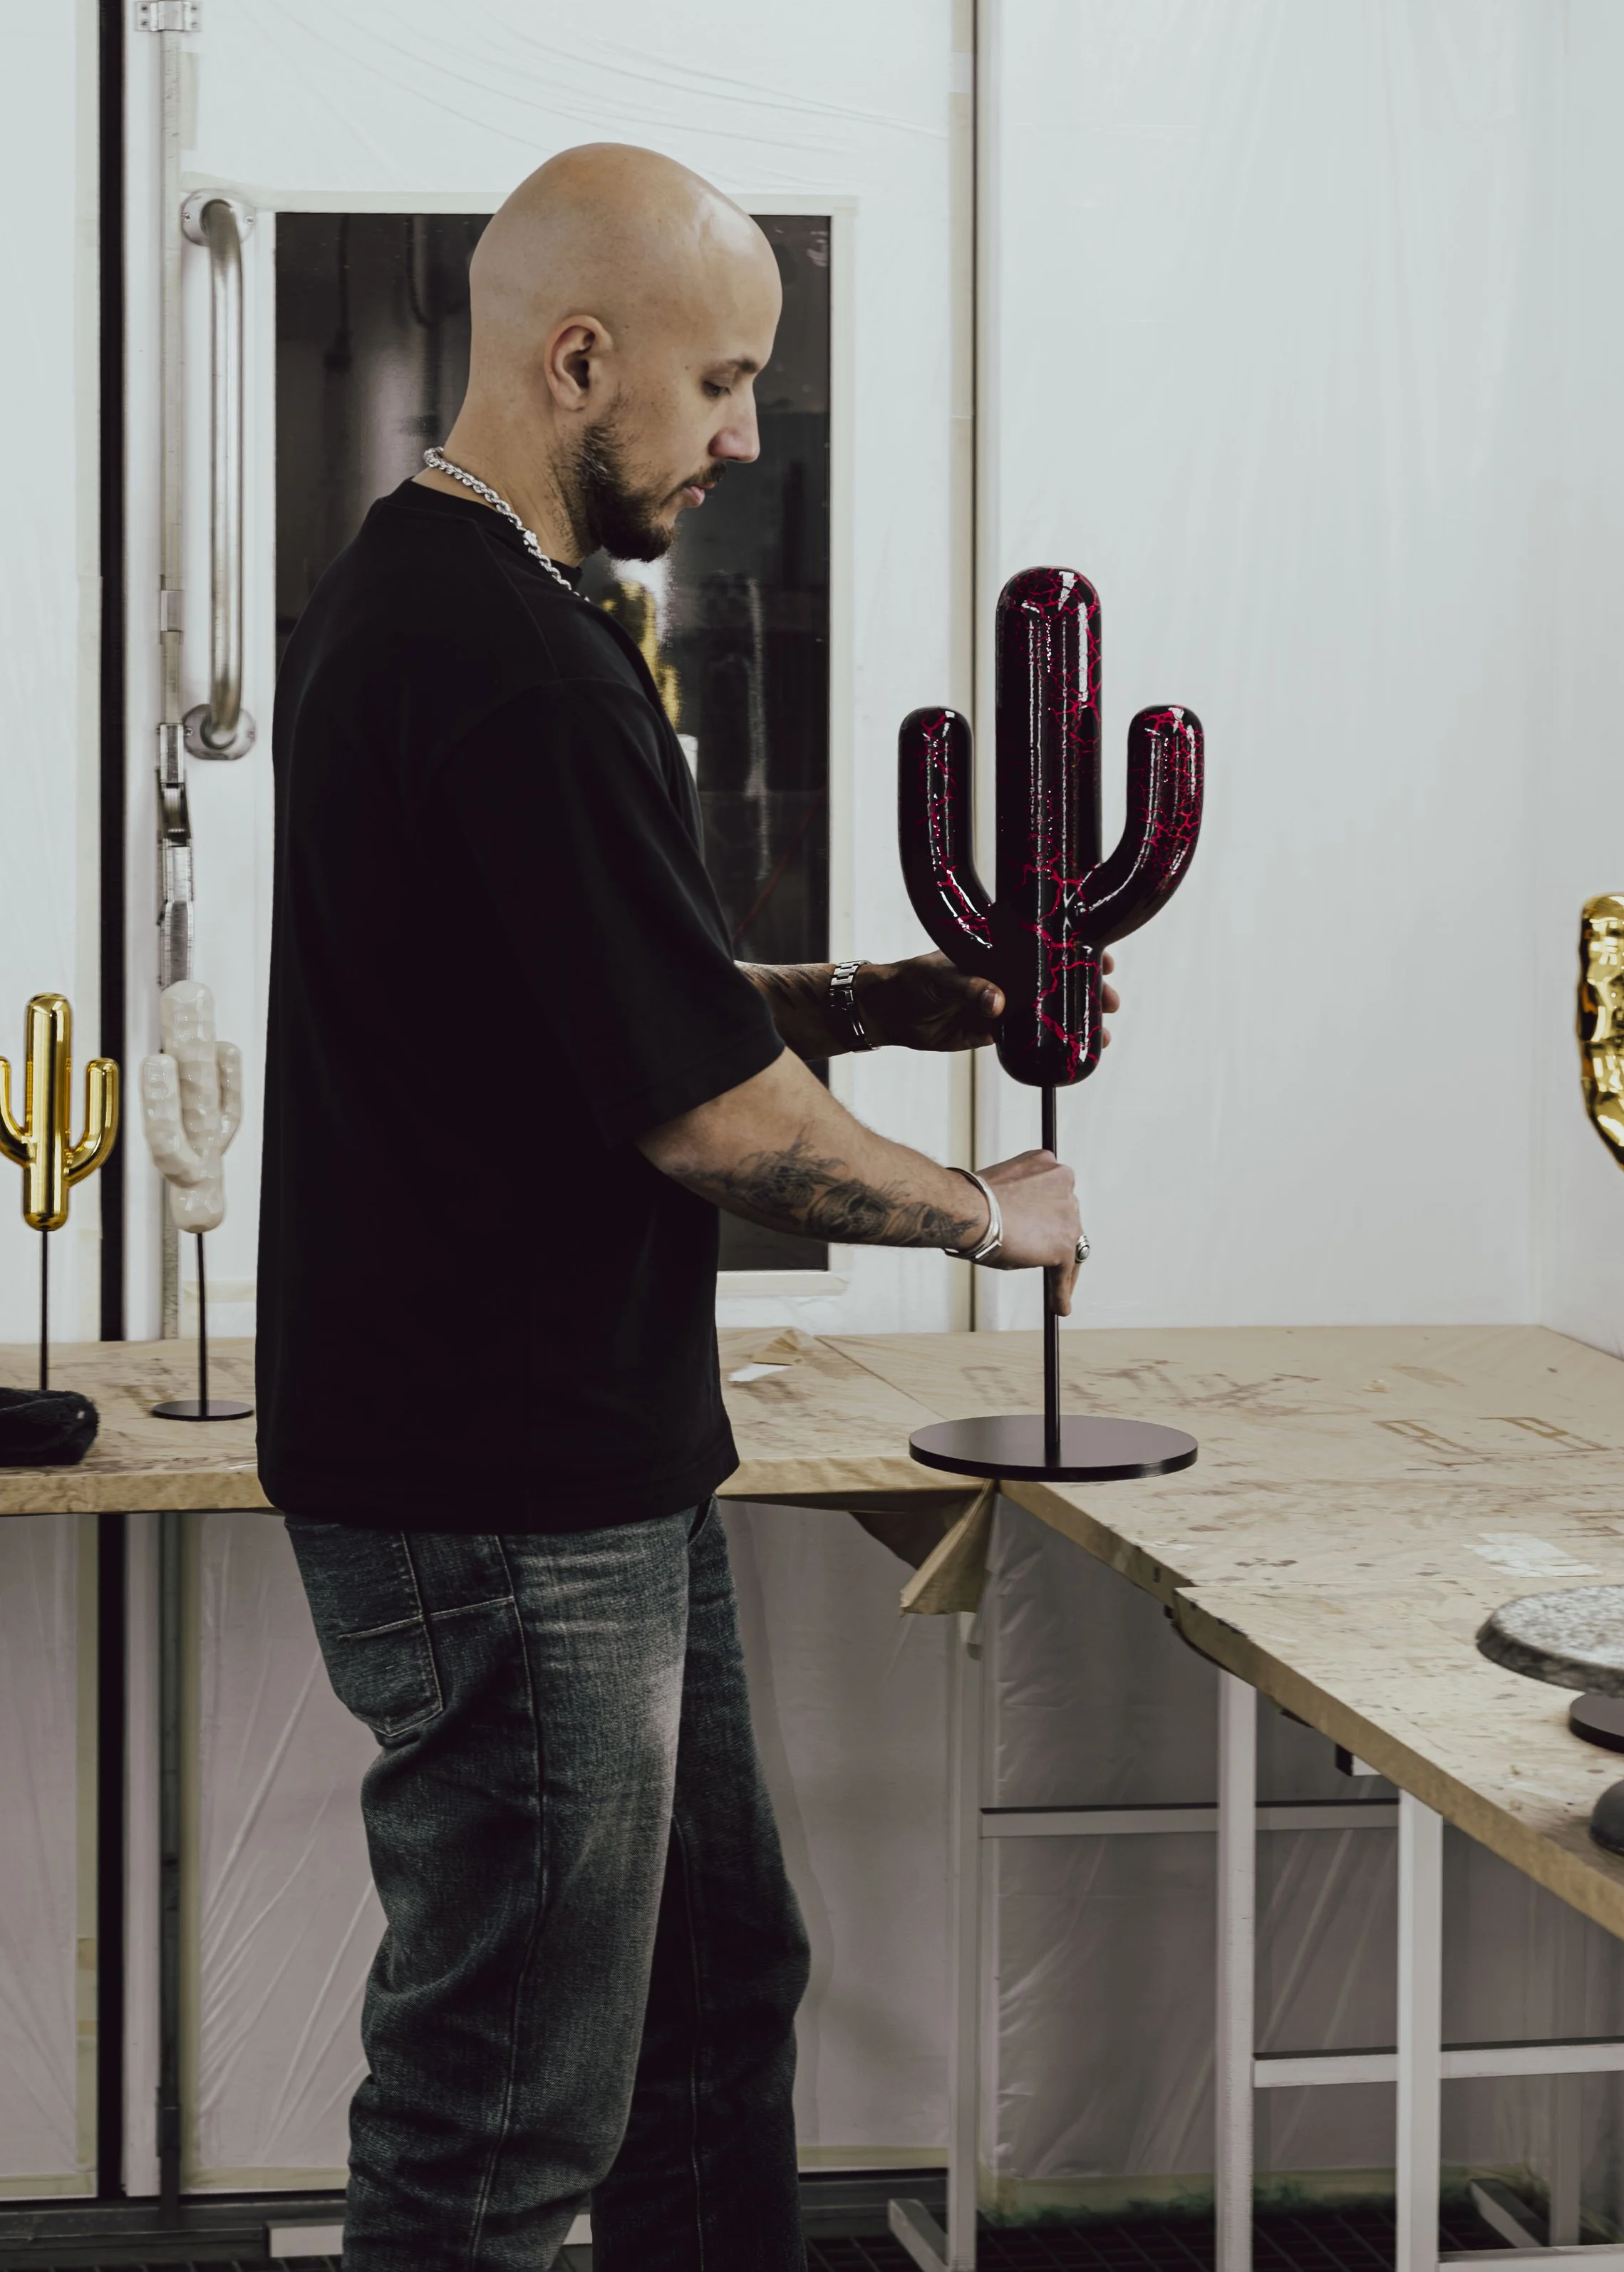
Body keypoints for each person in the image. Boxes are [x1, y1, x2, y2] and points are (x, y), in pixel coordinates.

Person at [257, 143, 1095, 2272]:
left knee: (707, 1998)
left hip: (584, 1468)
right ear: (574, 358)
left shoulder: (461, 601)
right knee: (501, 2109)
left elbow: (581, 992)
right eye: (720, 385)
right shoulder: (509, 657)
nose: (744, 435)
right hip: (504, 1500)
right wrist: (988, 1212)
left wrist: (861, 1001)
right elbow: (712, 1128)